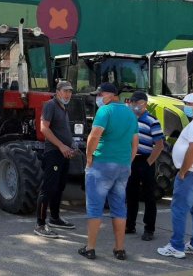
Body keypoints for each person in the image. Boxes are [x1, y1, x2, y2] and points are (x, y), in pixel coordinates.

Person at [79, 82, 138, 261]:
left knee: (95, 207)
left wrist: (89, 157)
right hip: (122, 166)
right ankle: (119, 249)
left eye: (100, 94)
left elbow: (94, 135)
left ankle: (90, 248)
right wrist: (129, 160)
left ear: (111, 95)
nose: (98, 98)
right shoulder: (130, 112)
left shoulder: (105, 111)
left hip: (102, 164)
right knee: (119, 207)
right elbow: (135, 141)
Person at [157, 93, 193, 259]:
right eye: (185, 103)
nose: (185, 107)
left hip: (192, 173)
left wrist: (183, 171)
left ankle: (176, 246)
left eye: (189, 104)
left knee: (179, 210)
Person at [34, 80, 77, 238]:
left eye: (70, 91)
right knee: (48, 188)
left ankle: (55, 218)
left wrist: (72, 145)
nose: (68, 94)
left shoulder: (64, 107)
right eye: (65, 91)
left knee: (59, 187)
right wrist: (61, 146)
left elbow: (64, 131)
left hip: (64, 153)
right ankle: (40, 224)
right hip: (53, 153)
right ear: (58, 91)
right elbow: (44, 128)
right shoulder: (50, 105)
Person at [125, 91, 165, 241]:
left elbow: (159, 145)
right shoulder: (130, 119)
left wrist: (149, 162)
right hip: (132, 160)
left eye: (138, 103)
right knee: (131, 193)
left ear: (145, 104)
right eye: (133, 103)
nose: (135, 106)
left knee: (149, 196)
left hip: (146, 160)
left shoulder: (152, 121)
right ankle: (130, 224)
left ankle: (149, 229)